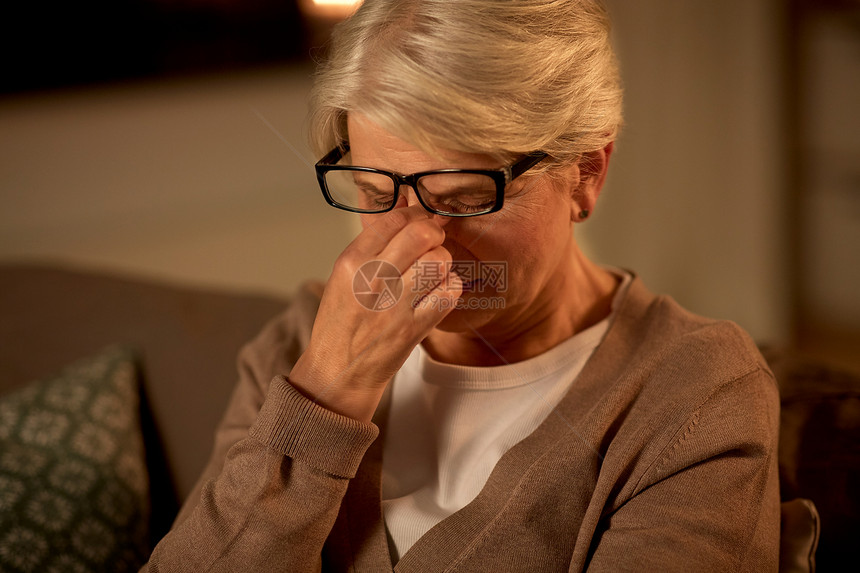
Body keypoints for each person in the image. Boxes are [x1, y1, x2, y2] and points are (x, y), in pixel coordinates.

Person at [144, 0, 780, 570]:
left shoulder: (693, 392)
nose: (420, 238)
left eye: (469, 198)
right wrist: (327, 393)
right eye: (376, 191)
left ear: (587, 172)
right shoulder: (298, 344)